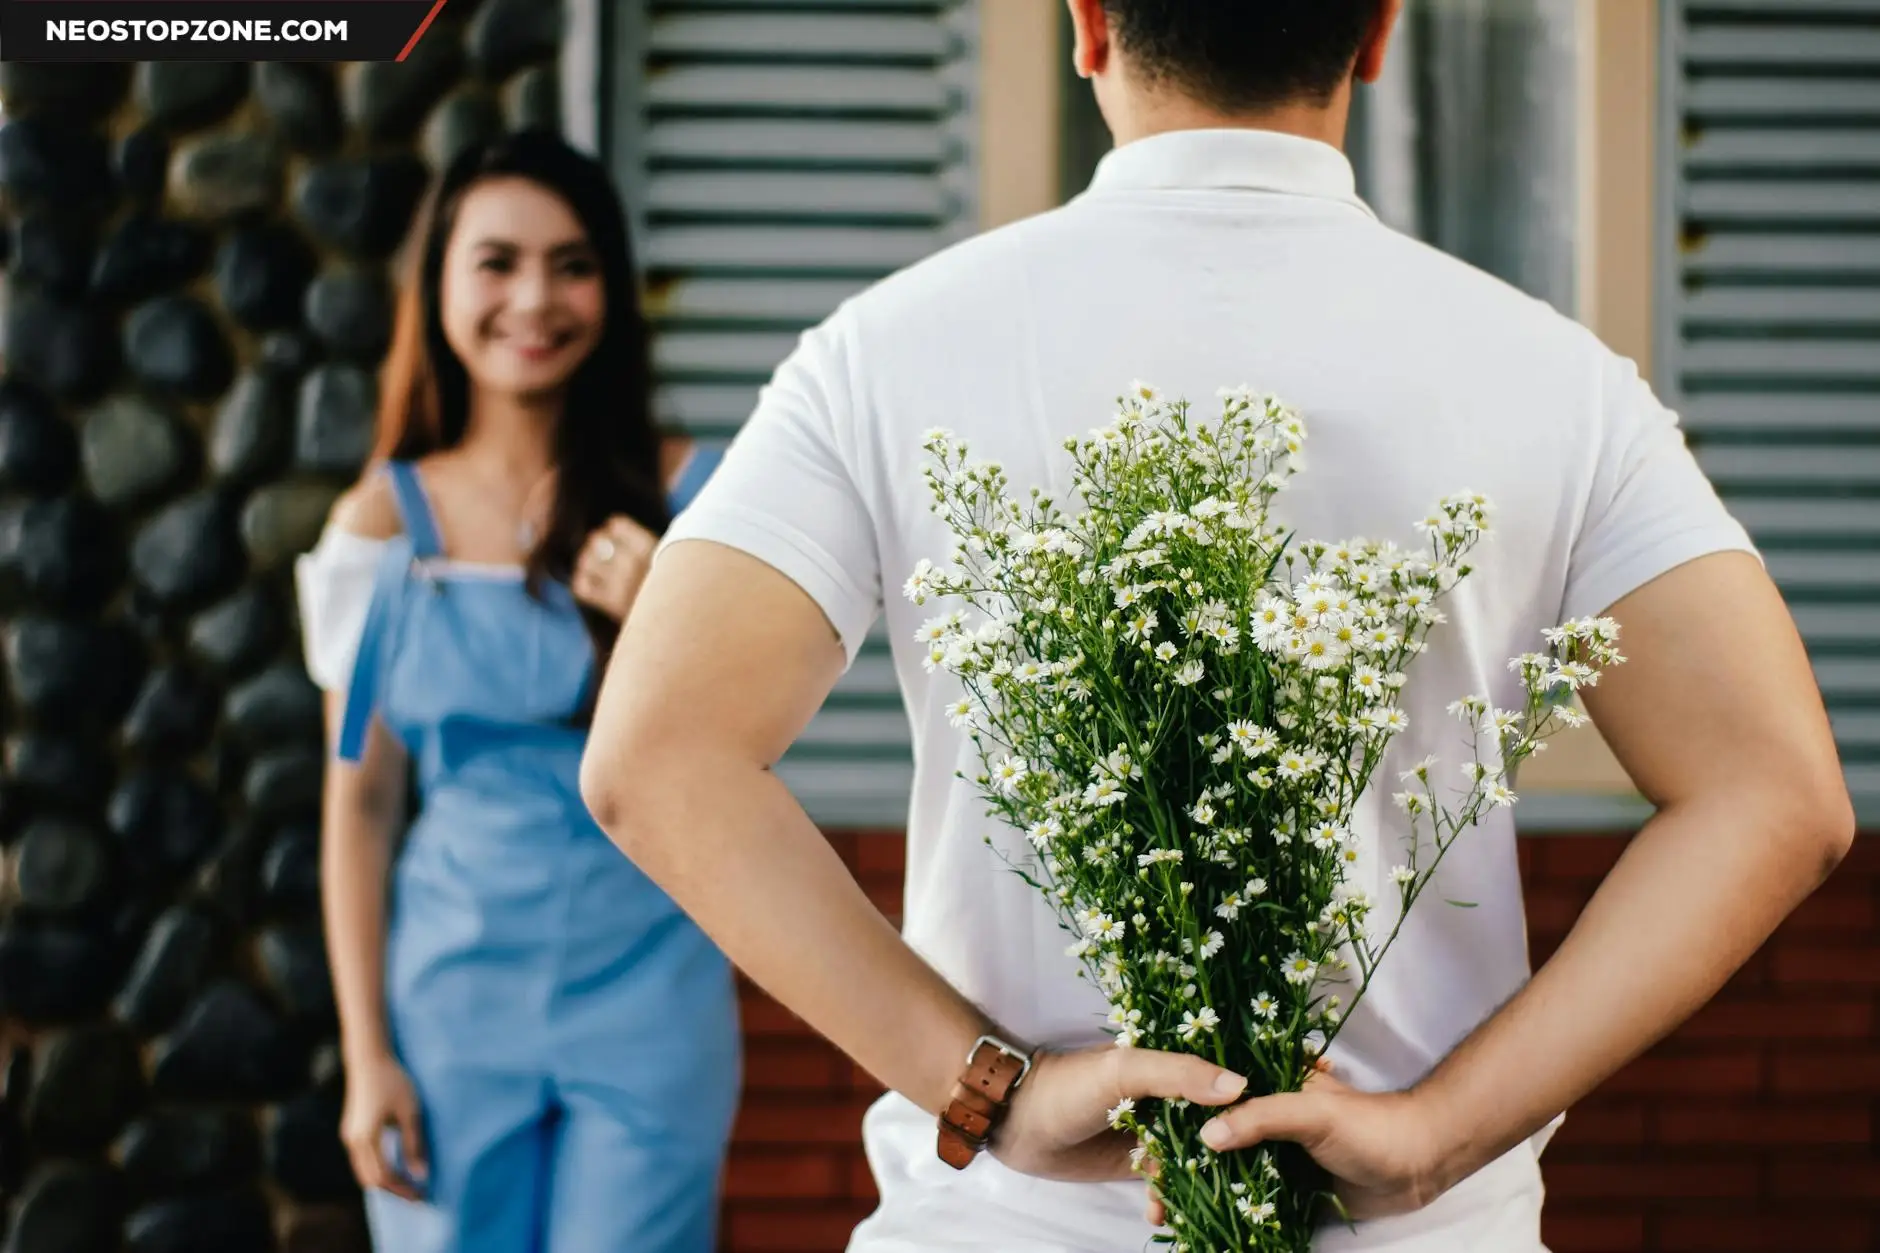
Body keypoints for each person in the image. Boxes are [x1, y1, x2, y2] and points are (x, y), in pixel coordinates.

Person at [577, 2, 1856, 1250]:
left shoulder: (883, 352)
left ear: (1086, 26)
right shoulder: (1559, 379)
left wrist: (991, 1091)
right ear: (1375, 33)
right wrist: (1437, 1130)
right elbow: (1778, 795)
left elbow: (655, 758)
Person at [296, 131, 738, 1253]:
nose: (534, 297)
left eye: (573, 263)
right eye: (496, 261)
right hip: (447, 1008)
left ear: (613, 289)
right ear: (438, 280)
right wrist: (367, 1056)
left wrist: (663, 629)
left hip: (654, 997)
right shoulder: (382, 524)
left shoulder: (697, 498)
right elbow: (359, 804)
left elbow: (750, 762)